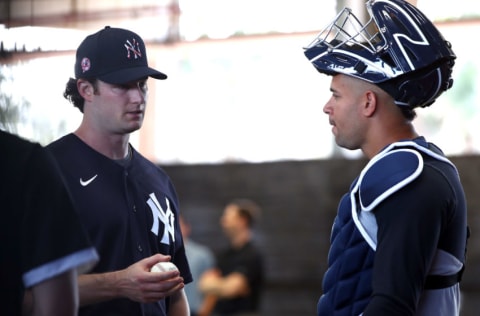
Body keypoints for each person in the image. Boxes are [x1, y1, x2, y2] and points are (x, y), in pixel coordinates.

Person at [303, 0, 469, 315]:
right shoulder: (409, 167)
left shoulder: (408, 176)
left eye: (336, 95)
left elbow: (393, 305)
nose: (328, 107)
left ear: (368, 103)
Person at [47, 26, 192, 316]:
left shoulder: (158, 181)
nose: (138, 98)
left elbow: (175, 294)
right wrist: (117, 284)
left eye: (142, 84)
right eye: (123, 86)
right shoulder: (46, 173)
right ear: (86, 89)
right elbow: (19, 295)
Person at [0, 129, 99, 316]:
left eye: (144, 95)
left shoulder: (27, 163)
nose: (137, 99)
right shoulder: (31, 162)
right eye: (120, 95)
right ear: (86, 96)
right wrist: (122, 282)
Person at [198, 199, 264, 316]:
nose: (223, 221)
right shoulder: (223, 255)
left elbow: (231, 289)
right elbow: (203, 284)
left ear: (242, 221)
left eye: (228, 217)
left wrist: (217, 285)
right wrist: (222, 286)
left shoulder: (252, 255)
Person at [179, 215, 216, 316]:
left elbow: (212, 287)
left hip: (194, 311)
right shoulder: (160, 253)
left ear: (187, 228)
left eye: (178, 224)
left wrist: (204, 311)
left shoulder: (202, 254)